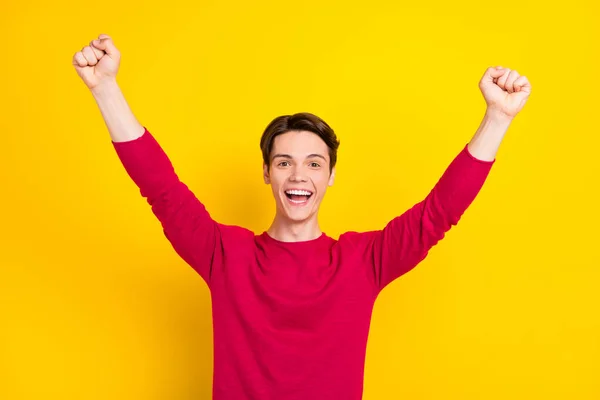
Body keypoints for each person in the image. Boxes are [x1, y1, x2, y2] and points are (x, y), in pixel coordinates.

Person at [73, 34, 531, 399]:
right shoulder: (225, 254)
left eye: (314, 163)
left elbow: (439, 214)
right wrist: (105, 87)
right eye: (284, 161)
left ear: (330, 177)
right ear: (267, 174)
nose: (299, 174)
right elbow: (162, 190)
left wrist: (497, 117)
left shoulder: (363, 261)